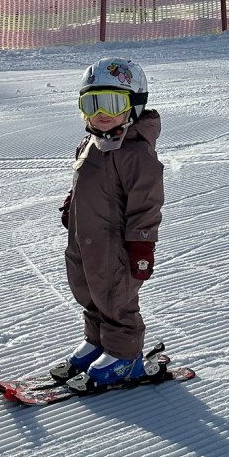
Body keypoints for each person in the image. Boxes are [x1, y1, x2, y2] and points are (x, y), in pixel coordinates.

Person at [52, 57, 163, 391]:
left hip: (116, 244)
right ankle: (98, 341)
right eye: (92, 103)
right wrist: (72, 204)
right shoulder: (90, 141)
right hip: (84, 237)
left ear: (135, 105)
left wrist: (142, 244)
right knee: (87, 290)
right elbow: (82, 181)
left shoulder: (136, 152)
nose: (101, 113)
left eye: (113, 103)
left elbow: (147, 202)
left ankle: (124, 355)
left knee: (116, 298)